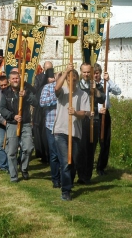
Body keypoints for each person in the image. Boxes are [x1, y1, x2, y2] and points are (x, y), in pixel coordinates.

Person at [52, 64, 90, 201]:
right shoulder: (63, 90)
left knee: (73, 161)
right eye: (69, 79)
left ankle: (68, 181)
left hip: (75, 132)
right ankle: (66, 190)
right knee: (65, 161)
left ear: (77, 80)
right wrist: (66, 72)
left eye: (74, 80)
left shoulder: (83, 94)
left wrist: (75, 112)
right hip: (61, 131)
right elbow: (56, 89)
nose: (71, 82)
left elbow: (84, 113)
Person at [0, 70, 38, 182]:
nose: (16, 80)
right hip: (12, 124)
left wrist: (26, 96)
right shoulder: (5, 92)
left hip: (25, 123)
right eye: (13, 78)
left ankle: (24, 168)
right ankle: (14, 176)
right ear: (9, 80)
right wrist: (13, 116)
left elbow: (36, 103)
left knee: (29, 148)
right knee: (11, 152)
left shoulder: (26, 89)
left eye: (17, 78)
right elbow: (2, 109)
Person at [77, 63, 105, 184]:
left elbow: (102, 98)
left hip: (94, 120)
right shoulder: (77, 85)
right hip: (81, 120)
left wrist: (95, 90)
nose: (87, 74)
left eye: (89, 72)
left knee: (90, 149)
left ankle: (86, 176)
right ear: (81, 72)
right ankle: (80, 174)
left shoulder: (95, 85)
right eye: (84, 72)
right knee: (81, 149)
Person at [94, 63, 122, 175]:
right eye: (94, 73)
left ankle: (101, 167)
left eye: (97, 73)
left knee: (105, 141)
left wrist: (109, 80)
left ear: (100, 73)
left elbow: (118, 91)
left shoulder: (105, 83)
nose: (95, 75)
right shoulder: (89, 84)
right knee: (92, 141)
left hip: (105, 115)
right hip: (93, 114)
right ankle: (87, 164)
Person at [39, 66, 61, 188]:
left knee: (63, 153)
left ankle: (65, 178)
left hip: (63, 126)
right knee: (54, 154)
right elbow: (42, 102)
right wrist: (56, 97)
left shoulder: (68, 89)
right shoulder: (47, 88)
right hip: (51, 125)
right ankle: (55, 179)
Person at [33, 61, 54, 163]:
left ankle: (49, 154)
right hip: (39, 108)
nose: (49, 71)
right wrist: (45, 77)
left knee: (47, 132)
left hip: (50, 109)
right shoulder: (39, 77)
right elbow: (36, 89)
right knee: (39, 130)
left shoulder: (54, 77)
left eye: (51, 68)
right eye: (47, 69)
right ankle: (41, 153)